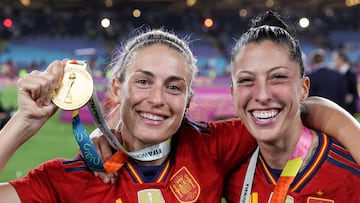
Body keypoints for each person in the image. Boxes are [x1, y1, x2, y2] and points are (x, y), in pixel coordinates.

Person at [0, 29, 358, 203]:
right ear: (116, 88)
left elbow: (284, 110)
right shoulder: (67, 179)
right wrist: (22, 124)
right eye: (143, 82)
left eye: (174, 87)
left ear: (188, 101)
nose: (157, 99)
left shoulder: (211, 146)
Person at [224, 11, 360, 203]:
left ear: (303, 89)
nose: (262, 95)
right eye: (246, 80)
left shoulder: (350, 174)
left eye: (278, 77)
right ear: (233, 94)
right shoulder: (227, 172)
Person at [332, 49, 359, 115]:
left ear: (341, 59)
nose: (334, 62)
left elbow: (355, 93)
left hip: (349, 111)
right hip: (339, 109)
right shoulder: (336, 73)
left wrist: (351, 96)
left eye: (335, 59)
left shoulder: (351, 74)